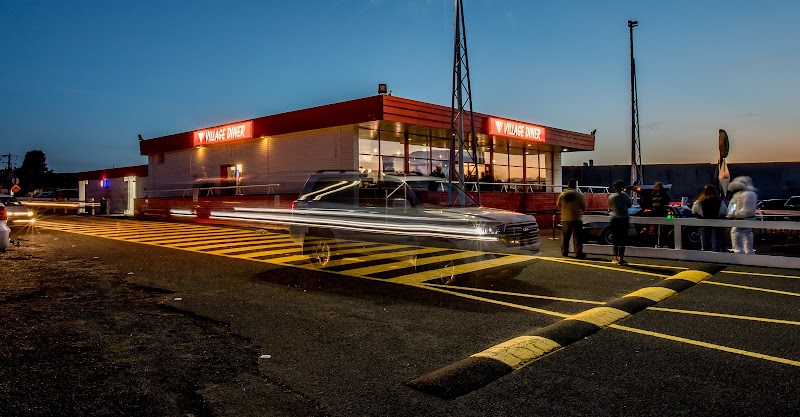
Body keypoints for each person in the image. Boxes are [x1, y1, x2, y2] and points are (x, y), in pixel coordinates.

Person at [692, 184, 728, 252]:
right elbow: (724, 212)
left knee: (705, 242)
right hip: (716, 224)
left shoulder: (700, 201)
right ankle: (716, 253)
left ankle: (705, 254)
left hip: (704, 223)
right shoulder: (719, 201)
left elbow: (694, 211)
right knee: (716, 242)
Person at [727, 176, 758, 254]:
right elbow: (733, 206)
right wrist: (732, 214)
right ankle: (749, 251)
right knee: (748, 234)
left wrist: (733, 214)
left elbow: (746, 210)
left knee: (736, 233)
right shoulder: (749, 194)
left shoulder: (746, 195)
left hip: (742, 219)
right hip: (747, 218)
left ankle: (738, 251)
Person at [556, 178, 587, 259]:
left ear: (568, 185)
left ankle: (564, 251)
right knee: (577, 238)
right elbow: (584, 206)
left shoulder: (562, 195)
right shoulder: (578, 195)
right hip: (576, 218)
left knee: (565, 237)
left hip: (565, 219)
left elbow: (558, 205)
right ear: (575, 185)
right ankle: (578, 253)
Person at [608, 180, 632, 265]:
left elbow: (610, 206)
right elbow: (629, 205)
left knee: (615, 238)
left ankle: (615, 257)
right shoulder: (625, 197)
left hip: (614, 219)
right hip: (624, 219)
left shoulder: (611, 197)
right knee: (622, 239)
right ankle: (621, 259)